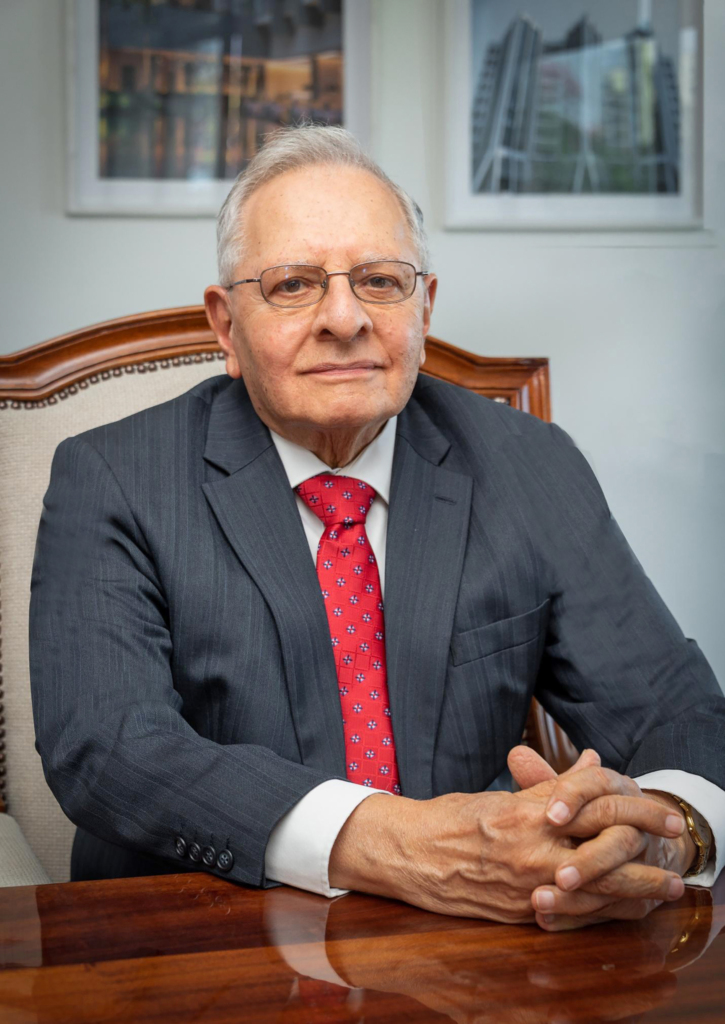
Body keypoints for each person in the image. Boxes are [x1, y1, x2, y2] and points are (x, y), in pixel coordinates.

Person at [29, 126, 724, 933]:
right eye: (293, 284)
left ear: (423, 307)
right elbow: (109, 747)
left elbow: (677, 713)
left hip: (481, 945)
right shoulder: (112, 476)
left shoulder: (529, 463)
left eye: (380, 281)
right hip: (201, 940)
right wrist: (393, 842)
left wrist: (661, 834)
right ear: (225, 325)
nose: (344, 317)